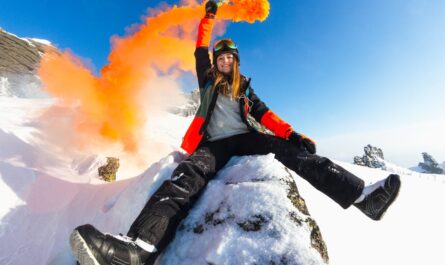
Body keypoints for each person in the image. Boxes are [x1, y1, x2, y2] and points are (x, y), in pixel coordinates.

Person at [70, 1, 401, 264]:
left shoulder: (244, 88)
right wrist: (209, 15)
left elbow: (265, 114)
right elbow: (200, 47)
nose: (224, 61)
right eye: (221, 57)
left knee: (292, 152)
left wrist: (293, 134)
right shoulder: (208, 79)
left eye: (230, 57)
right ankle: (137, 249)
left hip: (246, 140)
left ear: (236, 61)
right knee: (186, 177)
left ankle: (362, 197)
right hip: (212, 144)